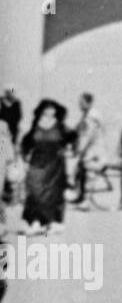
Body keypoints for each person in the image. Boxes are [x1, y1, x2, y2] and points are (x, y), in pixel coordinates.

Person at [20, 100, 75, 235]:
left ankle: (48, 222)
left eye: (51, 109)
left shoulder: (61, 126)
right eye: (46, 109)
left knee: (52, 196)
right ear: (41, 111)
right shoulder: (36, 125)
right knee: (34, 193)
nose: (48, 112)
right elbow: (25, 143)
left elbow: (74, 137)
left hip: (54, 166)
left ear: (55, 111)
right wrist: (25, 158)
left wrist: (68, 151)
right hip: (36, 165)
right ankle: (36, 222)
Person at [70, 93, 104, 210]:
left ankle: (87, 202)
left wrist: (79, 149)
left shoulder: (91, 117)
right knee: (81, 173)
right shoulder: (86, 115)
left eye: (82, 102)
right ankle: (81, 197)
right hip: (88, 149)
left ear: (88, 103)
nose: (80, 104)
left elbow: (86, 136)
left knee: (89, 173)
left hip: (92, 150)